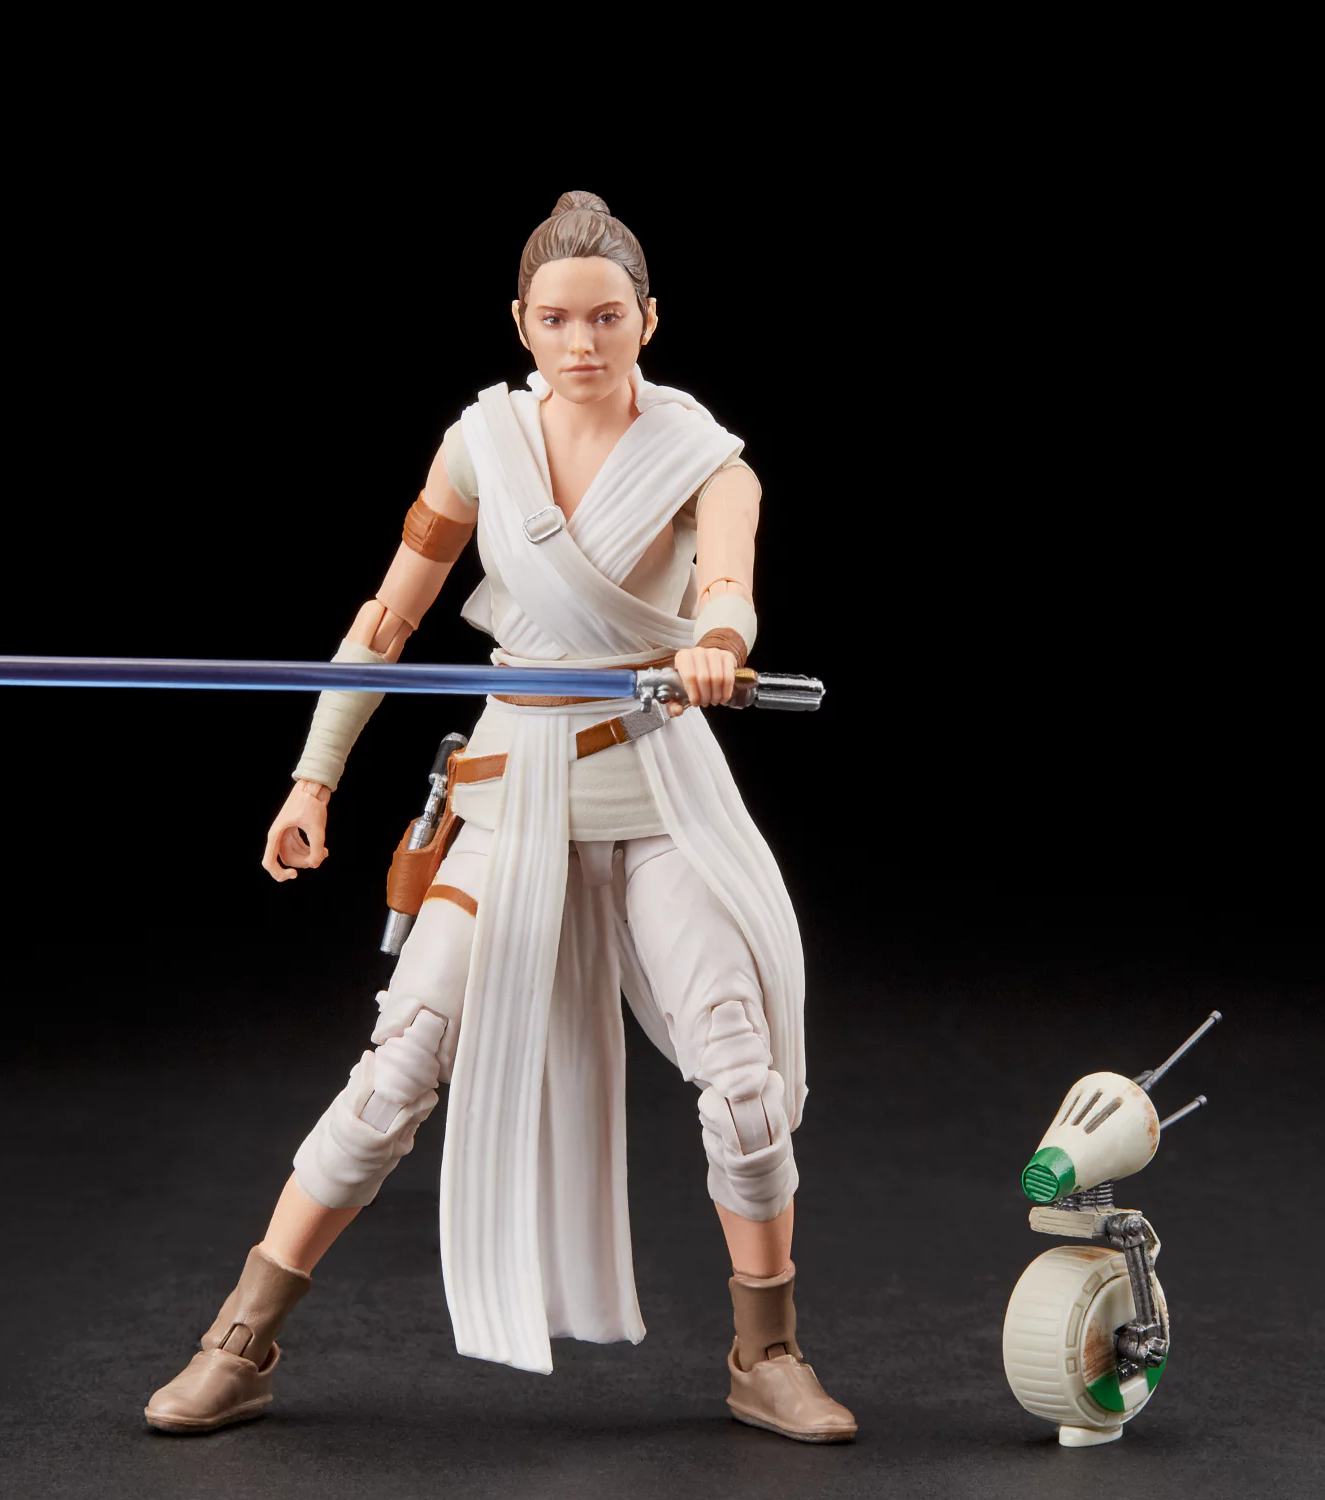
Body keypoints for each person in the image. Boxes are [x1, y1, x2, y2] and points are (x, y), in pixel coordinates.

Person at [145, 191, 855, 1443]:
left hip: (656, 799)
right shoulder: (481, 446)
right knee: (395, 1070)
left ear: (648, 320)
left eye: (607, 318)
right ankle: (241, 1339)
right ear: (521, 323)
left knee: (742, 1085)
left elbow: (730, 590)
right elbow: (387, 620)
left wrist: (714, 646)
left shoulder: (708, 460)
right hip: (514, 796)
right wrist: (314, 776)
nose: (582, 343)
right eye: (557, 320)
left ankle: (769, 1351)